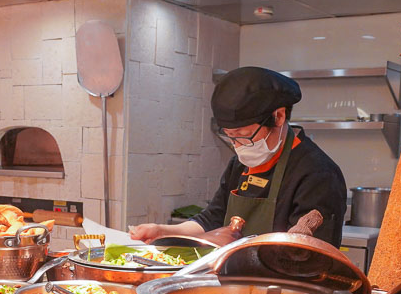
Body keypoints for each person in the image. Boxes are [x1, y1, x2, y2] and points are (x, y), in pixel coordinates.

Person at [130, 67, 347, 246]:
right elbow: (213, 218)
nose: (238, 147)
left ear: (278, 116)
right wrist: (164, 232)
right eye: (231, 137)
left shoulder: (318, 173)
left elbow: (307, 255)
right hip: (237, 286)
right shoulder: (240, 164)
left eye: (244, 136)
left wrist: (229, 245)